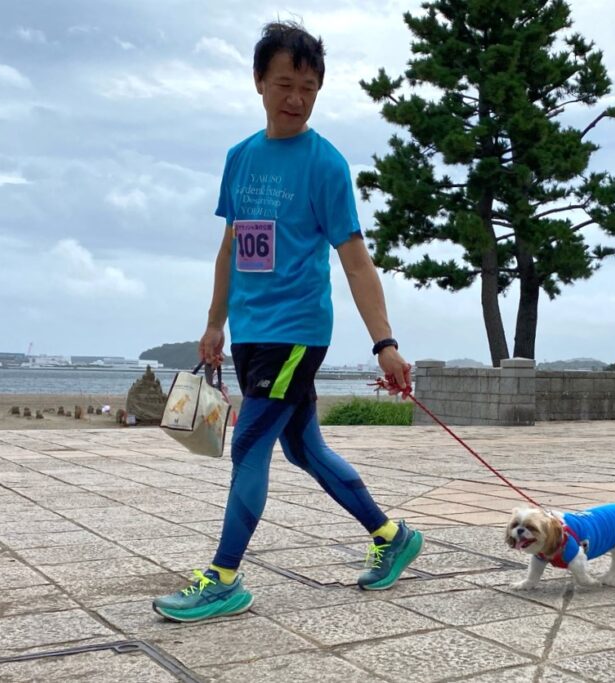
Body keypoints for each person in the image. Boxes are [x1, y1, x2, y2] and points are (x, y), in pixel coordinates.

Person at [152, 20, 422, 623]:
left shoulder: (326, 165)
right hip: (250, 329)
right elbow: (231, 245)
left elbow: (355, 260)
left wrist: (385, 342)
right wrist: (215, 323)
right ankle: (392, 535)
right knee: (303, 448)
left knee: (248, 444)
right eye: (285, 84)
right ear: (258, 83)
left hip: (298, 330)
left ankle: (222, 578)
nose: (296, 99)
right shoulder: (240, 159)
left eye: (308, 87)